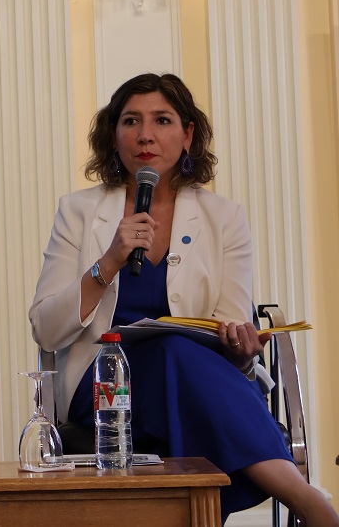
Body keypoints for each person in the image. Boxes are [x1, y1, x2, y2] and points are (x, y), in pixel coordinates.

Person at [31, 73, 338, 525]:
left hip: (193, 378)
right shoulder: (78, 211)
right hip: (104, 386)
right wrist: (108, 262)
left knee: (177, 353)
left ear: (188, 134)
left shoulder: (224, 217)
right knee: (175, 353)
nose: (145, 135)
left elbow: (228, 331)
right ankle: (305, 497)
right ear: (113, 135)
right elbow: (46, 327)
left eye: (162, 120)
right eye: (131, 121)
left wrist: (240, 347)